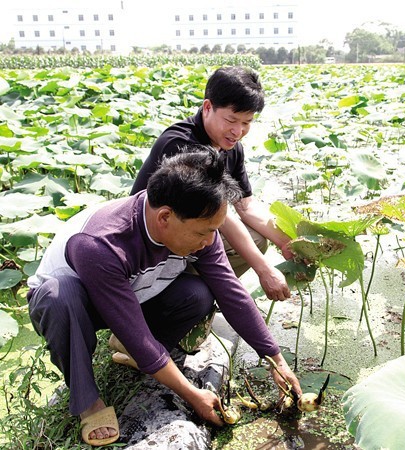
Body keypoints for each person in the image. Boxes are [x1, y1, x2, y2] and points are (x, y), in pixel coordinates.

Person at [27, 147, 301, 447]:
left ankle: (134, 354)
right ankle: (87, 401)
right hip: (80, 302)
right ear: (165, 217)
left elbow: (232, 294)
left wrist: (276, 360)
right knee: (59, 296)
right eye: (203, 233)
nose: (210, 241)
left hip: (134, 292)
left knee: (198, 293)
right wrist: (193, 395)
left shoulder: (194, 222)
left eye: (214, 230)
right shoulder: (99, 244)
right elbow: (135, 331)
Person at [131, 65, 293, 301]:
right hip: (150, 245)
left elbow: (245, 206)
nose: (238, 131)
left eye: (246, 123)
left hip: (188, 234)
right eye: (231, 120)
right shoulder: (181, 144)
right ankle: (168, 302)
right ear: (208, 107)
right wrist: (264, 268)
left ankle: (197, 298)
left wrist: (286, 241)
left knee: (257, 240)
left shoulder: (231, 147)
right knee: (203, 287)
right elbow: (221, 217)